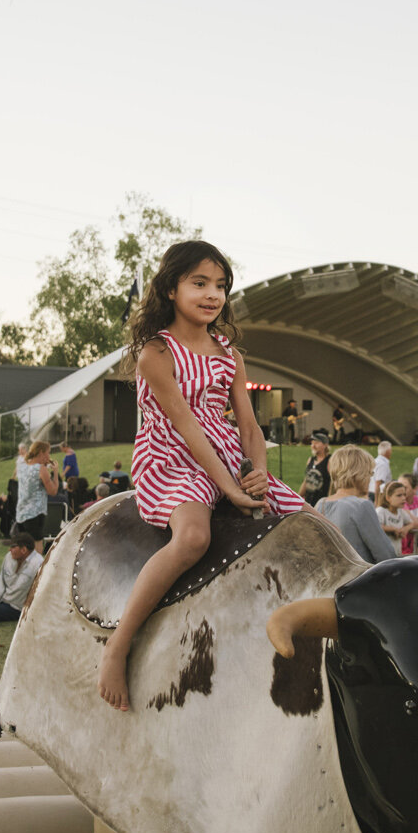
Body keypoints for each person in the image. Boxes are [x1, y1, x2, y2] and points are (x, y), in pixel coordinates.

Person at [98, 240, 303, 711]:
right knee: (192, 538)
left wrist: (257, 472)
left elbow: (248, 424)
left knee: (312, 522)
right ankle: (119, 644)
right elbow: (186, 427)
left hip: (228, 453)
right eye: (200, 283)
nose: (213, 294)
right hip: (173, 456)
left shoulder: (227, 352)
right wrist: (227, 487)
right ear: (171, 289)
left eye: (221, 286)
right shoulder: (156, 353)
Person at [317, 445, 400, 565]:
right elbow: (385, 555)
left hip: (331, 580)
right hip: (361, 579)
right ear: (358, 474)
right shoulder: (361, 506)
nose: (370, 479)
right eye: (369, 473)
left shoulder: (321, 504)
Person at [0, 533, 45, 625]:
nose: (10, 550)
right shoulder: (9, 557)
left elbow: (17, 592)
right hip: (4, 594)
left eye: (13, 547)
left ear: (24, 550)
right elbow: (0, 583)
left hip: (16, 606)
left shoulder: (37, 564)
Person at [10, 441, 58, 541]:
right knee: (36, 543)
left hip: (21, 511)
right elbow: (53, 491)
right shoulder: (41, 469)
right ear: (41, 453)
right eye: (48, 453)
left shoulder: (21, 467)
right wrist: (55, 473)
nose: (49, 456)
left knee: (24, 545)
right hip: (35, 512)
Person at [298, 432, 331, 505]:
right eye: (312, 443)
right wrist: (298, 498)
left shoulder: (330, 461)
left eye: (316, 443)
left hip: (322, 504)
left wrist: (329, 502)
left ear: (325, 445)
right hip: (309, 502)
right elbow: (306, 481)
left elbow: (333, 483)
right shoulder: (310, 460)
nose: (313, 446)